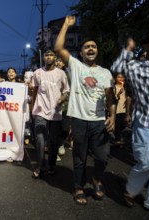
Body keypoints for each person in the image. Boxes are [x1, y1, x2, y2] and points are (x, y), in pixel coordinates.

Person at [55, 15, 116, 205]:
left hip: (99, 121)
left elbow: (110, 97)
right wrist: (65, 25)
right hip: (79, 120)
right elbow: (58, 48)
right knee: (79, 157)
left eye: (94, 46)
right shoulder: (75, 66)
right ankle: (79, 187)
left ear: (97, 51)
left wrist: (113, 116)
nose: (91, 49)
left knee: (102, 157)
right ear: (81, 53)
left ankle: (97, 179)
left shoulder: (105, 72)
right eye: (87, 47)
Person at [111, 33, 149, 219]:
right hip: (144, 122)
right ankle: (131, 190)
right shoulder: (136, 67)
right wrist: (128, 50)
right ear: (146, 46)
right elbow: (116, 68)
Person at [31, 49, 70, 178]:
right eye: (46, 55)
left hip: (56, 112)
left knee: (53, 142)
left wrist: (63, 97)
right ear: (44, 58)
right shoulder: (37, 73)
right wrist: (32, 109)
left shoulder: (61, 73)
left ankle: (51, 165)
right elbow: (34, 91)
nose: (48, 57)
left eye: (51, 55)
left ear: (55, 57)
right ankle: (40, 166)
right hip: (40, 111)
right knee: (40, 140)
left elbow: (66, 90)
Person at [113, 72, 127, 146]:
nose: (121, 79)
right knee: (118, 125)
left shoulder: (125, 87)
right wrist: (118, 93)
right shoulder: (114, 87)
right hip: (117, 109)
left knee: (123, 124)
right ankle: (117, 140)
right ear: (115, 78)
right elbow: (113, 98)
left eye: (122, 77)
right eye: (119, 77)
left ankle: (116, 133)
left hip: (124, 109)